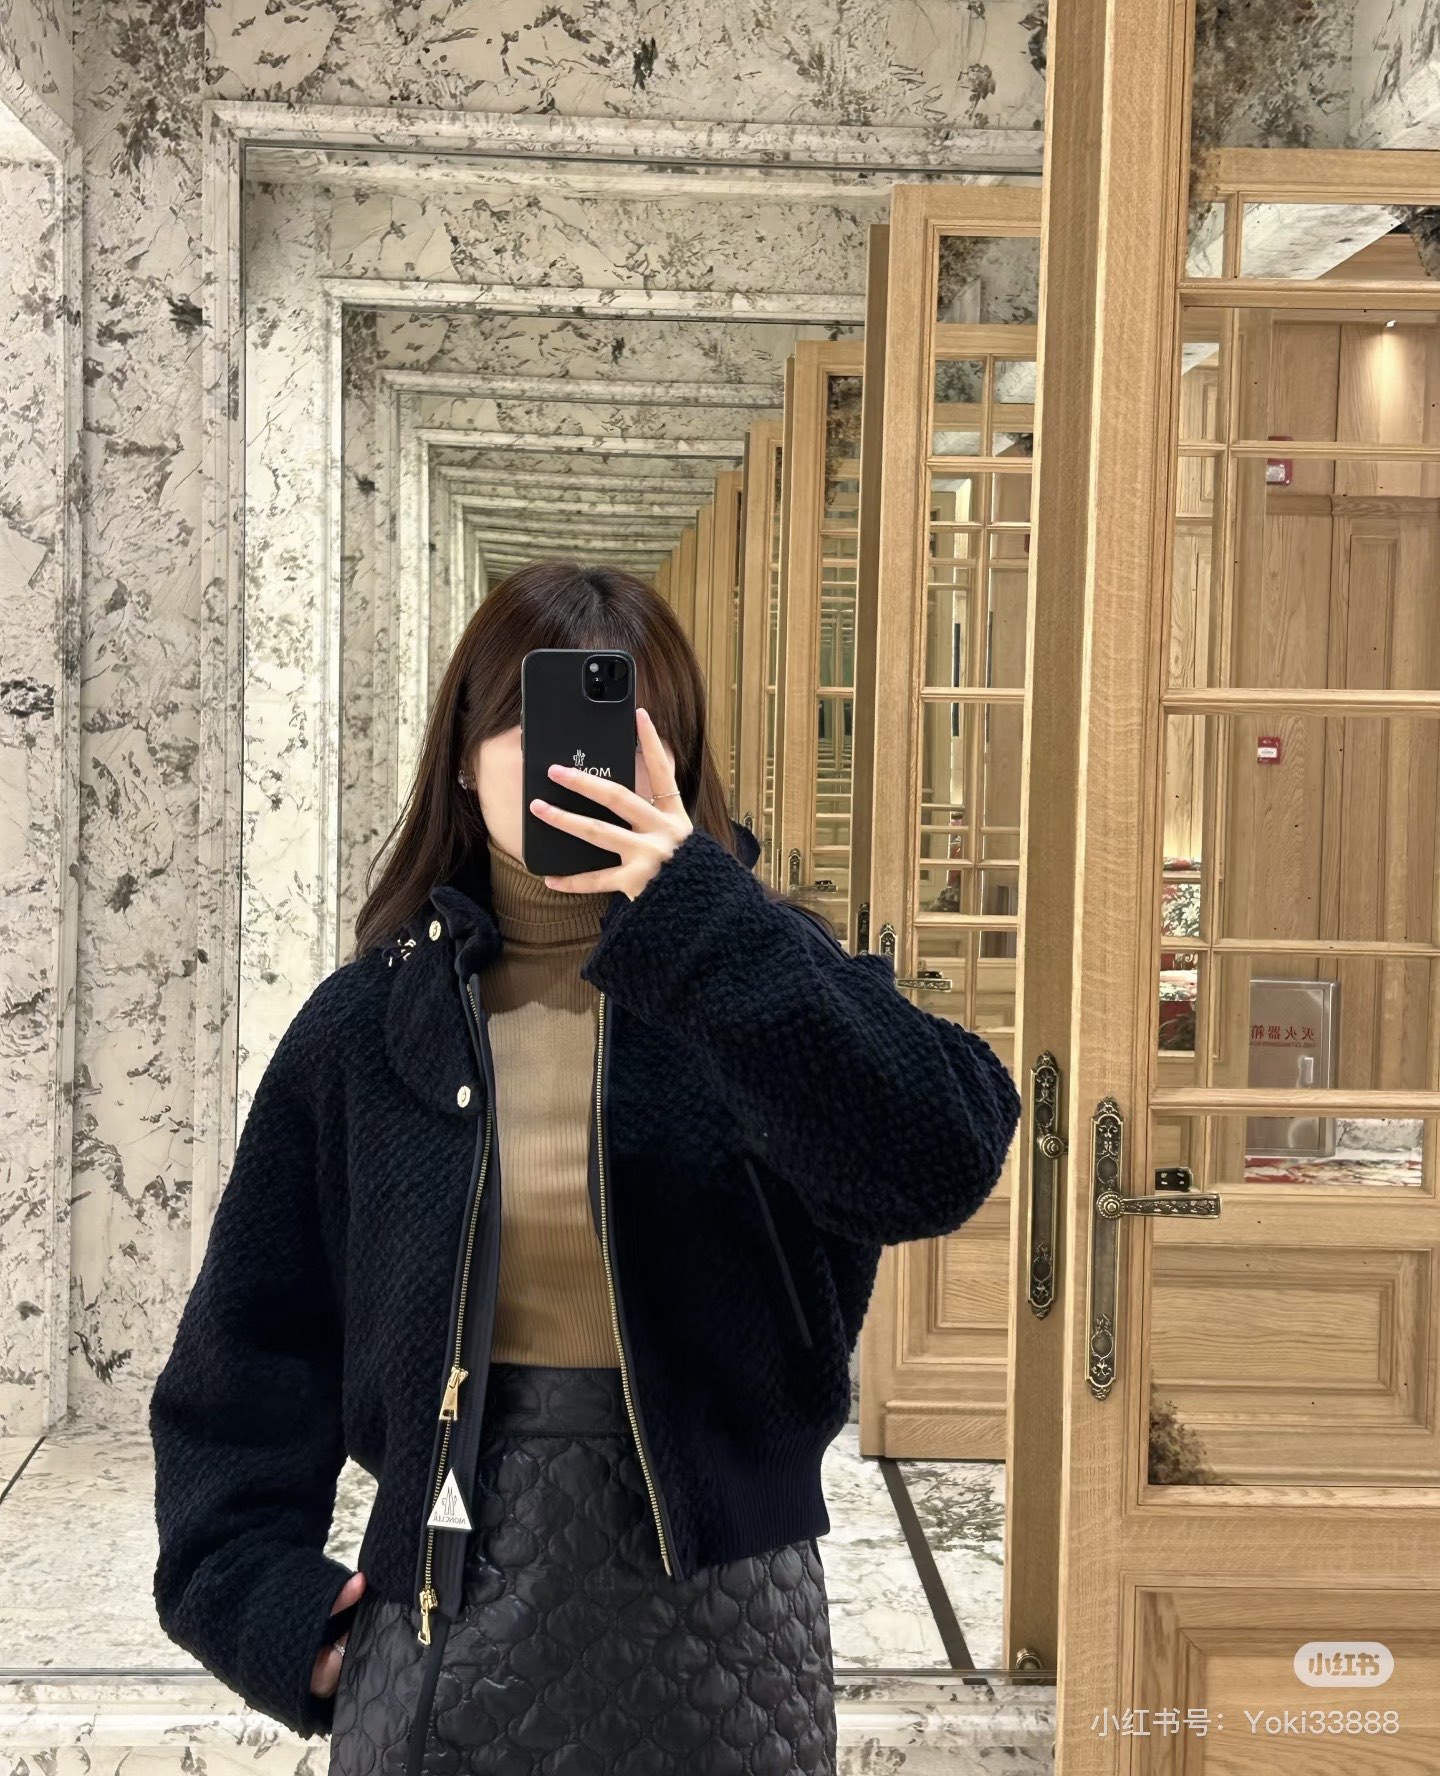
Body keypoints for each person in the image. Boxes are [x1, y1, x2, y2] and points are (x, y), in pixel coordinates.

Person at [149, 559, 1021, 1776]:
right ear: (463, 757)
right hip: (441, 1616)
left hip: (727, 1627)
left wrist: (698, 911)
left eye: (618, 726)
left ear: (674, 758)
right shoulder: (369, 1029)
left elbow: (940, 1157)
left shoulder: (760, 983)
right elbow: (245, 1351)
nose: (572, 762)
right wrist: (265, 1604)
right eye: (529, 721)